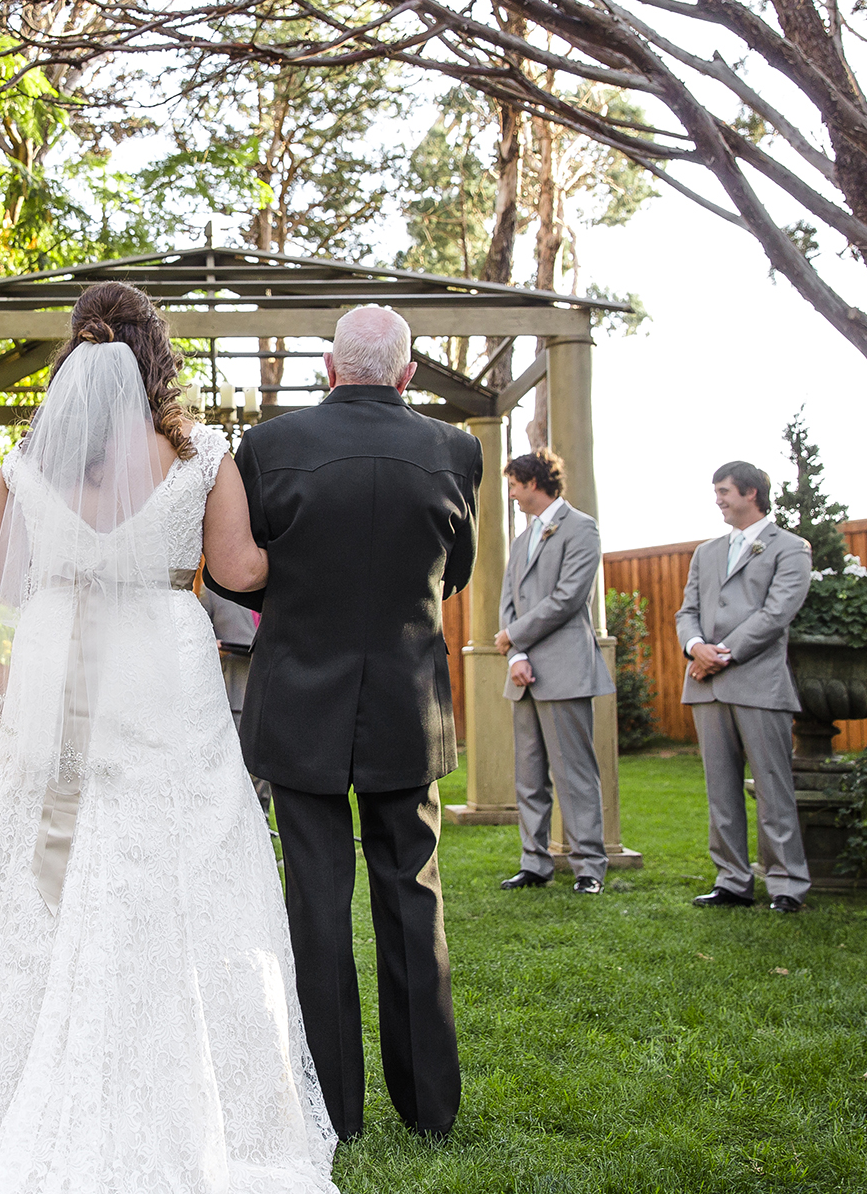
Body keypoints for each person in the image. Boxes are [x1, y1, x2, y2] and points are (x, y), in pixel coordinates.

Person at [0, 283, 336, 1193]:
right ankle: (208, 1088)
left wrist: (14, 692)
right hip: (161, 663)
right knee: (183, 849)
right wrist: (314, 547)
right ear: (158, 354)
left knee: (46, 858)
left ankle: (14, 1067)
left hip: (58, 667)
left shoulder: (21, 467)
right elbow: (238, 570)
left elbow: (13, 591)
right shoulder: (199, 454)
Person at [208, 303, 478, 1144]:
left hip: (299, 702)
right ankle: (430, 1109)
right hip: (408, 702)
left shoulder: (267, 447)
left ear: (330, 368)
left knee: (315, 904)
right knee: (413, 897)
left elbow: (241, 576)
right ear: (406, 373)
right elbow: (454, 569)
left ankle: (332, 1108)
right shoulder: (455, 450)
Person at [674, 461, 814, 912]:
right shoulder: (706, 552)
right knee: (721, 789)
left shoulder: (791, 548)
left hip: (758, 683)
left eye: (724, 490)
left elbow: (778, 612)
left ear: (752, 493)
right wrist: (696, 646)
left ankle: (787, 884)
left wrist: (722, 654)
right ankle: (732, 880)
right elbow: (686, 611)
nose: (718, 499)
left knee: (773, 787)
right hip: (705, 684)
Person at [493, 448, 614, 895]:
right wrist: (514, 655)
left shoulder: (581, 528)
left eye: (513, 485)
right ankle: (534, 862)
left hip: (565, 668)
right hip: (523, 672)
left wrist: (514, 636)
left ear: (534, 482)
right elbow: (508, 600)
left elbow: (569, 598)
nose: (511, 494)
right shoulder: (523, 540)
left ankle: (588, 867)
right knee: (528, 774)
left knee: (575, 774)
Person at [199, 581, 271, 812]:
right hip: (234, 694)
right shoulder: (211, 592)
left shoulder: (275, 587)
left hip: (271, 697)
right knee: (235, 771)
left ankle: (263, 825)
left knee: (264, 773)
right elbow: (199, 638)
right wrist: (215, 647)